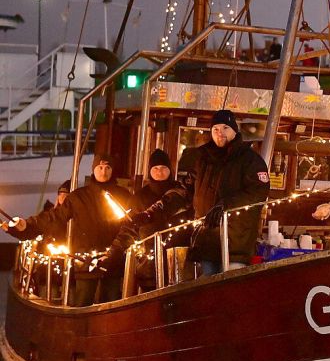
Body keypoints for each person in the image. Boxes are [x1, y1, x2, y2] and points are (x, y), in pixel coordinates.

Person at [3, 155, 131, 306]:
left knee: (112, 302)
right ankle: (79, 329)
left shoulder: (123, 196)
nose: (104, 172)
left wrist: (116, 250)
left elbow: (131, 224)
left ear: (112, 170)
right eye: (100, 168)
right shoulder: (78, 196)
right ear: (93, 170)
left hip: (113, 259)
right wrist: (26, 226)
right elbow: (54, 217)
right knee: (83, 301)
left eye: (108, 168)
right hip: (85, 259)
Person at [179, 110, 271, 276]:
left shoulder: (250, 160)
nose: (219, 133)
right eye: (215, 129)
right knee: (206, 292)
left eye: (225, 128)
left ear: (234, 131)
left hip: (236, 243)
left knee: (229, 292)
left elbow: (258, 192)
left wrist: (226, 204)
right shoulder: (202, 158)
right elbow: (187, 190)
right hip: (206, 242)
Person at [103, 150, 192, 288]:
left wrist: (148, 215)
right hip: (148, 260)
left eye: (163, 168)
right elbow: (129, 228)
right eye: (155, 168)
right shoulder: (139, 197)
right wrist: (113, 252)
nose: (159, 172)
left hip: (177, 257)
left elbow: (172, 208)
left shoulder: (180, 192)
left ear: (170, 170)